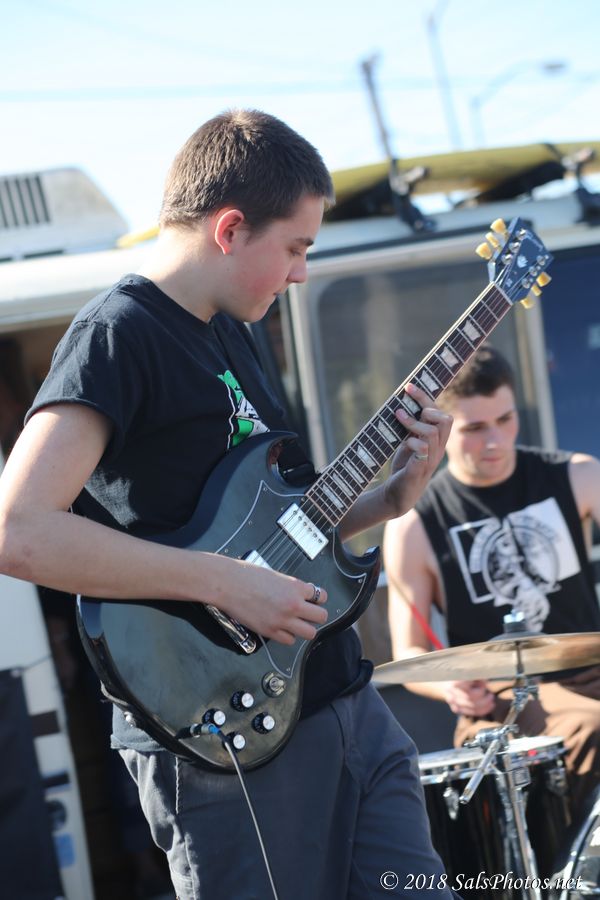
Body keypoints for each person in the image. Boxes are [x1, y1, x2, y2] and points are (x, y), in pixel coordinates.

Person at [0, 109, 456, 900]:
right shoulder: (116, 336)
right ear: (231, 229)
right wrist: (223, 583)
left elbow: (283, 532)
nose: (301, 273)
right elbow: (19, 531)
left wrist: (390, 498)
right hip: (222, 738)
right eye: (296, 248)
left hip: (342, 700)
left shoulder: (235, 327)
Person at [384, 344, 600, 824]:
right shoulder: (413, 525)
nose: (495, 441)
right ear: (442, 428)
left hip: (590, 670)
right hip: (507, 699)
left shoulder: (580, 476)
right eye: (475, 428)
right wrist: (451, 688)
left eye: (505, 419)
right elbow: (408, 651)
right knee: (592, 729)